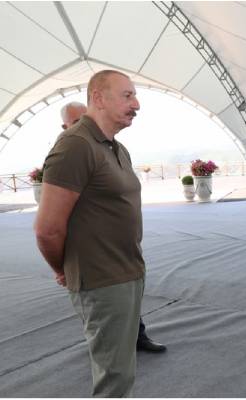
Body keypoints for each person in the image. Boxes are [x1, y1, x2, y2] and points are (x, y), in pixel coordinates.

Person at [34, 70, 147, 397]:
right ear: (98, 98)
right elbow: (47, 229)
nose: (136, 104)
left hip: (127, 272)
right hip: (102, 281)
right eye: (127, 95)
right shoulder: (75, 145)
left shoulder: (116, 147)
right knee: (115, 379)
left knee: (122, 372)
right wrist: (63, 269)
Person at [59, 101, 167, 354]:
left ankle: (137, 336)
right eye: (76, 122)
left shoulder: (113, 149)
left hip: (121, 245)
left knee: (129, 294)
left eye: (86, 118)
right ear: (64, 127)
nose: (84, 125)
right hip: (91, 250)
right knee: (102, 306)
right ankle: (106, 348)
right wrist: (61, 264)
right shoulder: (66, 155)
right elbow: (53, 220)